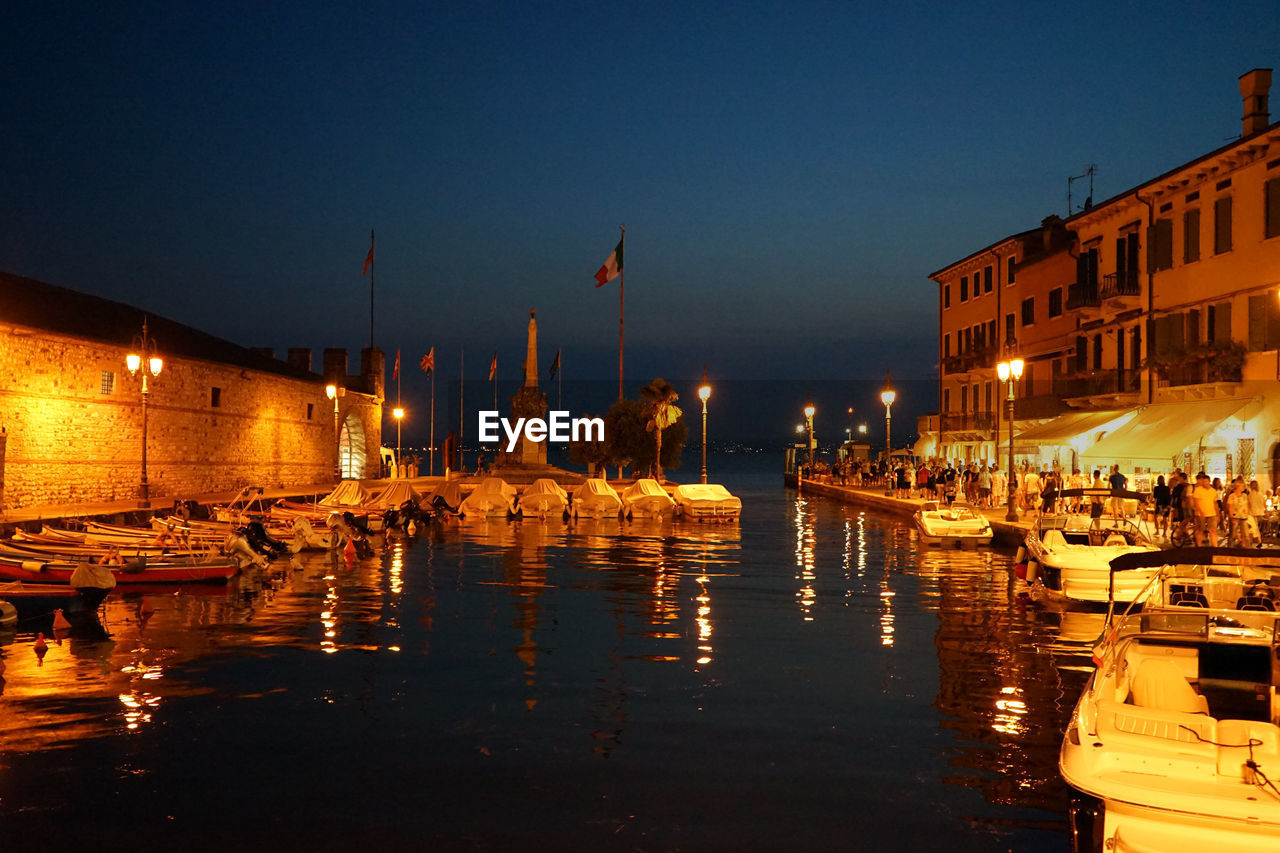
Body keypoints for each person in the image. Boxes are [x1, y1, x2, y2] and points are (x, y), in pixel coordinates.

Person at [1191, 472, 1220, 547]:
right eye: (1203, 482)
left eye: (1206, 481)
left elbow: (1215, 503)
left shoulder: (1213, 491)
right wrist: (1200, 511)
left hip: (1212, 513)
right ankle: (1199, 546)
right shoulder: (1198, 490)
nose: (1204, 483)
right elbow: (1196, 502)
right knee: (1201, 530)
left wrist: (1217, 514)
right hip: (1200, 514)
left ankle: (1215, 547)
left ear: (1209, 481)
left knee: (1213, 530)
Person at [1226, 477, 1253, 547]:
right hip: (1235, 517)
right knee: (1232, 535)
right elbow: (1230, 507)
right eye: (1242, 486)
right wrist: (1231, 517)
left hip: (1243, 516)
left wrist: (1248, 513)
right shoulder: (1232, 496)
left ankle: (1247, 548)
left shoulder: (1244, 496)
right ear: (1238, 486)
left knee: (1246, 534)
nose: (1243, 487)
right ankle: (1229, 549)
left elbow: (1248, 505)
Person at [1152, 475, 1172, 540]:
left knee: (1155, 517)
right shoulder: (1167, 488)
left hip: (1159, 504)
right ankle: (1164, 533)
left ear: (1158, 481)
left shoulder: (1156, 488)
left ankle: (1157, 531)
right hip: (1166, 505)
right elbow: (1169, 496)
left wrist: (1154, 505)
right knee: (1165, 519)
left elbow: (1155, 497)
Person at [1249, 480, 1267, 544]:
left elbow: (1250, 504)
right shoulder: (1261, 493)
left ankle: (1257, 541)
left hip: (1253, 513)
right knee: (1255, 528)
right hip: (1261, 512)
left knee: (1254, 528)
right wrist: (1266, 511)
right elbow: (1264, 503)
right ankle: (1257, 541)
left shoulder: (1251, 494)